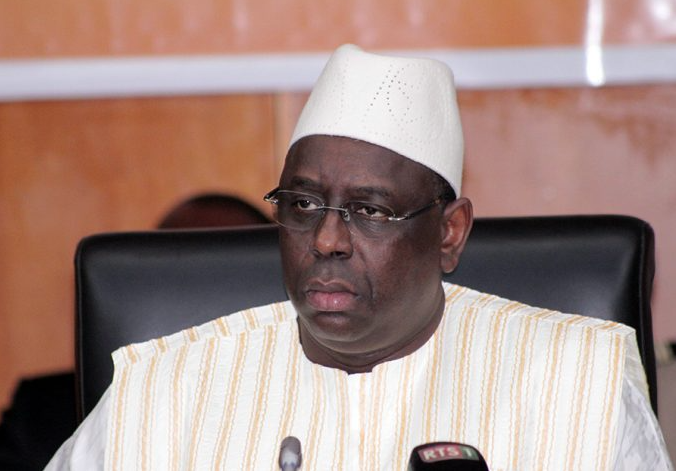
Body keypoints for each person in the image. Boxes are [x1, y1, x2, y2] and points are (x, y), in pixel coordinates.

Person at [46, 44, 672, 470]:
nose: (326, 240)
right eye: (302, 204)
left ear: (449, 233)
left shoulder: (581, 382)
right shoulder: (159, 393)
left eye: (370, 211)